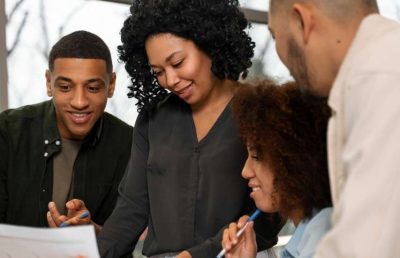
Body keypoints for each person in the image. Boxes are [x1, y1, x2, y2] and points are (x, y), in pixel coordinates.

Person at [96, 0, 283, 257]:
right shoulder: (153, 120)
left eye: (178, 62)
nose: (170, 81)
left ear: (209, 41)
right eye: (158, 71)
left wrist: (199, 255)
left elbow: (269, 214)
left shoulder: (260, 111)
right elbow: (132, 208)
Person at [268, 0, 400, 257]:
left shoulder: (380, 80)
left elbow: (365, 247)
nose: (280, 57)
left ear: (302, 22)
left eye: (274, 36)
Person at [0, 30, 133, 232]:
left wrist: (93, 233)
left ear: (111, 85)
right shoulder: (7, 132)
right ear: (48, 83)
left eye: (93, 88)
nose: (79, 102)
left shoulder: (130, 144)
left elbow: (127, 237)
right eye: (65, 87)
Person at [221, 81, 332, 258]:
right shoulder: (309, 235)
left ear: (295, 160)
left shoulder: (324, 238)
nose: (245, 171)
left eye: (256, 156)